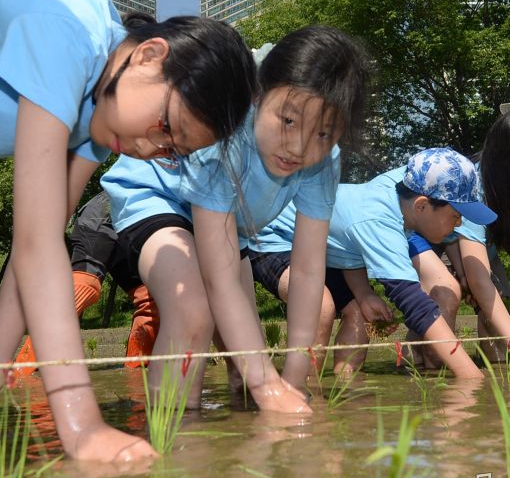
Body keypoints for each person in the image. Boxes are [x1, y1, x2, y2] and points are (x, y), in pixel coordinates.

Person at [0, 0, 256, 464]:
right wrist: (81, 426)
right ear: (150, 54)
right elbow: (33, 248)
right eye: (166, 127)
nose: (147, 148)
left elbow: (39, 244)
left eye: (170, 151)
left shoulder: (98, 121)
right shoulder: (71, 34)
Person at [102, 25, 369, 412]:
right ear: (259, 95)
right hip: (160, 198)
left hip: (227, 228)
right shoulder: (225, 129)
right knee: (194, 311)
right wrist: (268, 386)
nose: (298, 147)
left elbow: (309, 271)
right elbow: (219, 279)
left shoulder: (323, 163)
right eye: (288, 121)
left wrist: (292, 378)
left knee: (245, 363)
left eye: (323, 133)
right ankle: (178, 443)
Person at [250, 148, 496, 378]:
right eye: (455, 216)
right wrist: (471, 376)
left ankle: (345, 384)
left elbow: (347, 246)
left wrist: (364, 293)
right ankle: (302, 391)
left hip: (321, 248)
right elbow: (416, 306)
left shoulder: (402, 203)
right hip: (271, 238)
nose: (459, 225)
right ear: (422, 205)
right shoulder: (381, 221)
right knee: (320, 305)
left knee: (358, 312)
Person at [14, 191, 158, 375]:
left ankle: (136, 376)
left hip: (139, 226)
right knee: (84, 286)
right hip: (103, 216)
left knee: (150, 299)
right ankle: (20, 371)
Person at [409, 112, 510, 364]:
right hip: (430, 232)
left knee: (496, 295)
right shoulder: (475, 186)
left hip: (472, 241)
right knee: (445, 295)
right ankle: (430, 371)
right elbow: (478, 278)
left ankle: (495, 365)